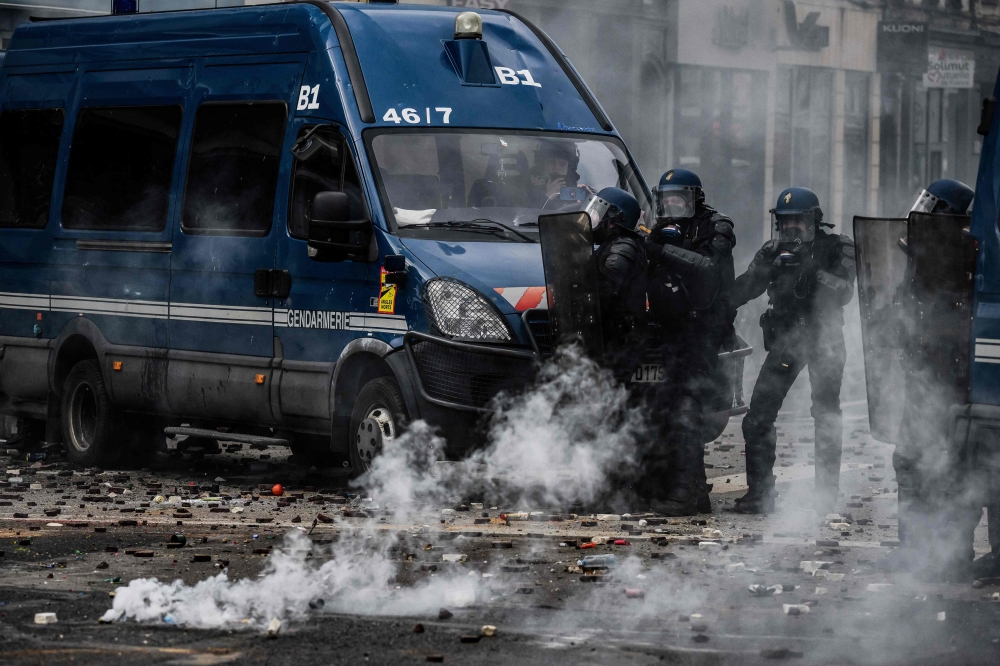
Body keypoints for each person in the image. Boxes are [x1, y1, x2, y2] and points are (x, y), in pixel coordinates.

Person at [883, 178, 989, 577]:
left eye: (932, 206)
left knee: (953, 468)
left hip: (955, 382)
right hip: (922, 377)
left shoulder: (968, 259)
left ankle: (953, 555)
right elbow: (903, 314)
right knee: (909, 460)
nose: (921, 213)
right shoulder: (919, 260)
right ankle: (913, 550)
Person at [731, 187, 855, 515]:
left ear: (813, 221)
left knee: (827, 416)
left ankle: (825, 497)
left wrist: (812, 269)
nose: (791, 230)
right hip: (788, 340)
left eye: (798, 222)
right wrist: (714, 307)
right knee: (757, 416)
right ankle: (761, 495)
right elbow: (746, 286)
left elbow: (845, 291)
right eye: (785, 223)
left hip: (826, 340)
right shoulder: (774, 252)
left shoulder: (835, 247)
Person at [640, 168, 737, 516]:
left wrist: (662, 249)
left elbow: (709, 268)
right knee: (673, 408)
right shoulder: (659, 227)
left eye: (679, 198)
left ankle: (685, 495)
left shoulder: (716, 225)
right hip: (670, 330)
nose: (672, 205)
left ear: (695, 198)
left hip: (703, 330)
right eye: (666, 199)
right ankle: (693, 493)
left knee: (686, 406)